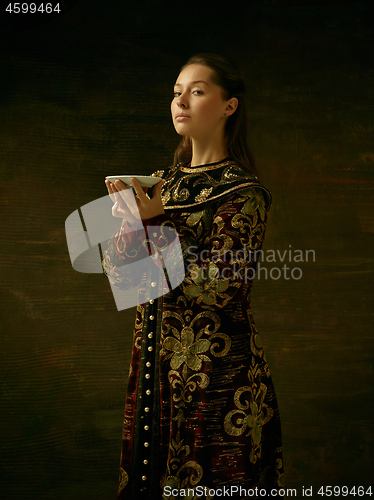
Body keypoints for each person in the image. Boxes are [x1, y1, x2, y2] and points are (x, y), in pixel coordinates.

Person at [102, 53, 284, 500]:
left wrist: (157, 223)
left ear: (229, 106)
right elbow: (128, 285)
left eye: (196, 91)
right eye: (176, 92)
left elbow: (218, 287)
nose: (180, 100)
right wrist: (127, 225)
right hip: (153, 372)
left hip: (218, 379)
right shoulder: (159, 183)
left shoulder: (245, 193)